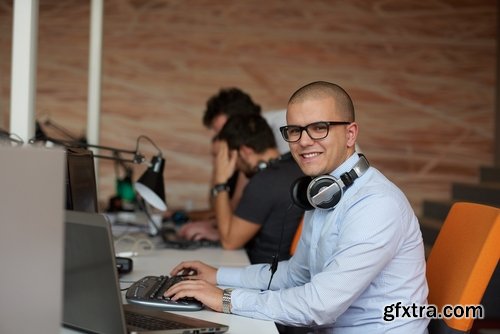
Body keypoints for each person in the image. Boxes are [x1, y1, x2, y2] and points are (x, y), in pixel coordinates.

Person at [165, 81, 429, 333]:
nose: (303, 141)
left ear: (350, 134)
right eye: (295, 130)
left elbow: (320, 305)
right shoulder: (323, 193)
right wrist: (218, 275)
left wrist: (225, 299)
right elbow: (293, 275)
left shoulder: (376, 205)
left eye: (319, 127)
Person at [199, 113, 304, 264]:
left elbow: (229, 242)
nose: (233, 166)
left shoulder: (265, 181)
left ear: (245, 151)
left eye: (228, 156)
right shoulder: (294, 167)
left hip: (263, 274)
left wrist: (220, 181)